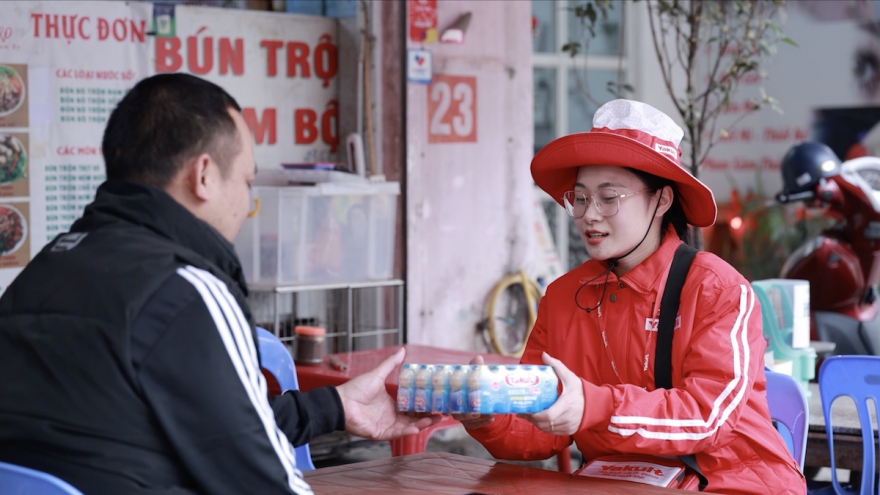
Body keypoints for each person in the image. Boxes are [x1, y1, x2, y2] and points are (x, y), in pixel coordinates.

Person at [0, 73, 437, 495]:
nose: (247, 206)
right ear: (204, 175)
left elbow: (188, 426)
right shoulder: (186, 290)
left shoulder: (44, 269)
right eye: (247, 182)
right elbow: (263, 482)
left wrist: (334, 407)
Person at [458, 99, 806, 494]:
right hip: (616, 484)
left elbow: (708, 417)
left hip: (731, 482)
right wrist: (488, 416)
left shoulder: (718, 289)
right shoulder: (562, 297)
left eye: (609, 198)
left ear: (661, 200)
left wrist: (592, 406)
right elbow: (540, 427)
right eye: (581, 198)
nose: (590, 214)